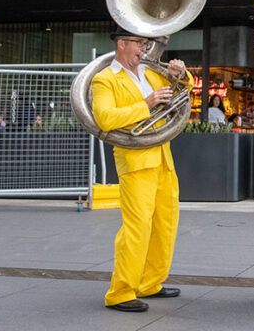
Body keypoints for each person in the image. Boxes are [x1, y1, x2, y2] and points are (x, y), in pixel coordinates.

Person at [91, 27, 193, 312]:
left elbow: (184, 88)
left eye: (146, 43)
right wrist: (146, 104)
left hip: (162, 157)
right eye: (139, 43)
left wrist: (180, 73)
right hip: (135, 162)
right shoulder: (104, 79)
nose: (144, 49)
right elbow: (105, 117)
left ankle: (149, 283)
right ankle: (120, 292)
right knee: (136, 228)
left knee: (165, 225)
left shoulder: (150, 72)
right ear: (121, 43)